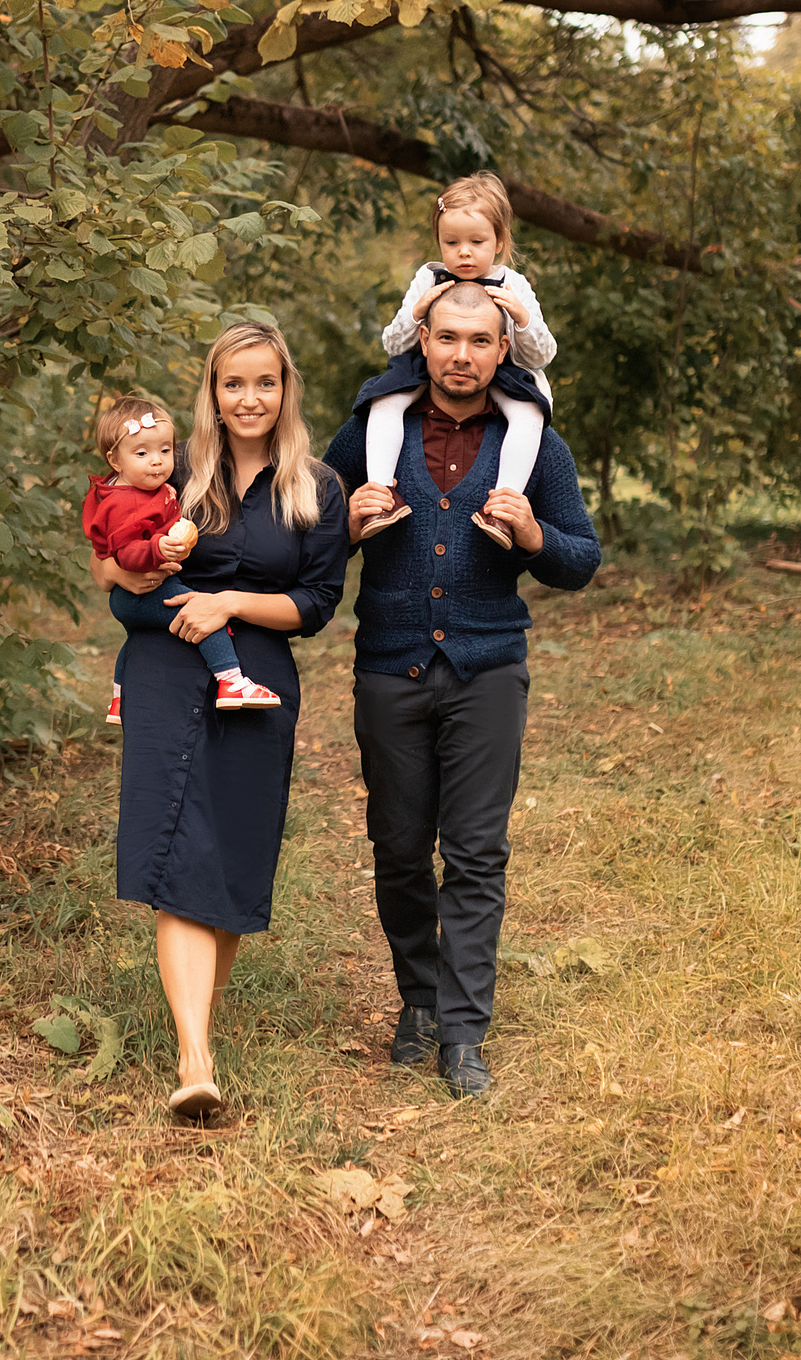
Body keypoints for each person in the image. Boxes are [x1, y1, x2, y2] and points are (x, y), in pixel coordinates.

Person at [322, 281, 599, 1098]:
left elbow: (581, 558)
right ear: (422, 340)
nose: (462, 355)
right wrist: (345, 526)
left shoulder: (533, 442)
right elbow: (299, 532)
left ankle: (463, 1030)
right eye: (448, 337)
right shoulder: (374, 433)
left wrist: (533, 535)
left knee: (476, 853)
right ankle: (417, 1000)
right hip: (389, 665)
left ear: (502, 350)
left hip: (487, 670)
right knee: (400, 846)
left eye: (480, 341)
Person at [93, 322, 347, 1120]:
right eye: (233, 383)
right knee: (178, 847)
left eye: (264, 382)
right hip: (171, 670)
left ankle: (197, 1029)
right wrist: (138, 572)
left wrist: (230, 599)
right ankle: (194, 1056)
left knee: (231, 854)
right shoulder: (172, 474)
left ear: (285, 389)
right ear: (212, 390)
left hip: (257, 675)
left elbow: (316, 604)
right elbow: (109, 563)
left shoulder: (316, 487)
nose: (249, 398)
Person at [352, 172, 557, 550]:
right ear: (439, 242)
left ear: (498, 242)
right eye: (452, 242)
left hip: (503, 371)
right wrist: (417, 312)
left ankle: (503, 508)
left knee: (530, 416)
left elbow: (541, 355)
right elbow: (394, 345)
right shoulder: (427, 278)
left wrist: (522, 319)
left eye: (476, 242)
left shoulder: (515, 285)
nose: (464, 252)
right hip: (429, 369)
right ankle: (380, 497)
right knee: (383, 401)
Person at [81, 392, 283, 725]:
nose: (157, 461)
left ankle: (120, 699)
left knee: (136, 638)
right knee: (201, 615)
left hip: (136, 595)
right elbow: (123, 552)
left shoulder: (145, 488)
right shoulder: (122, 503)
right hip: (138, 590)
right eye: (143, 453)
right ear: (115, 461)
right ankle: (232, 683)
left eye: (164, 451)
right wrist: (156, 549)